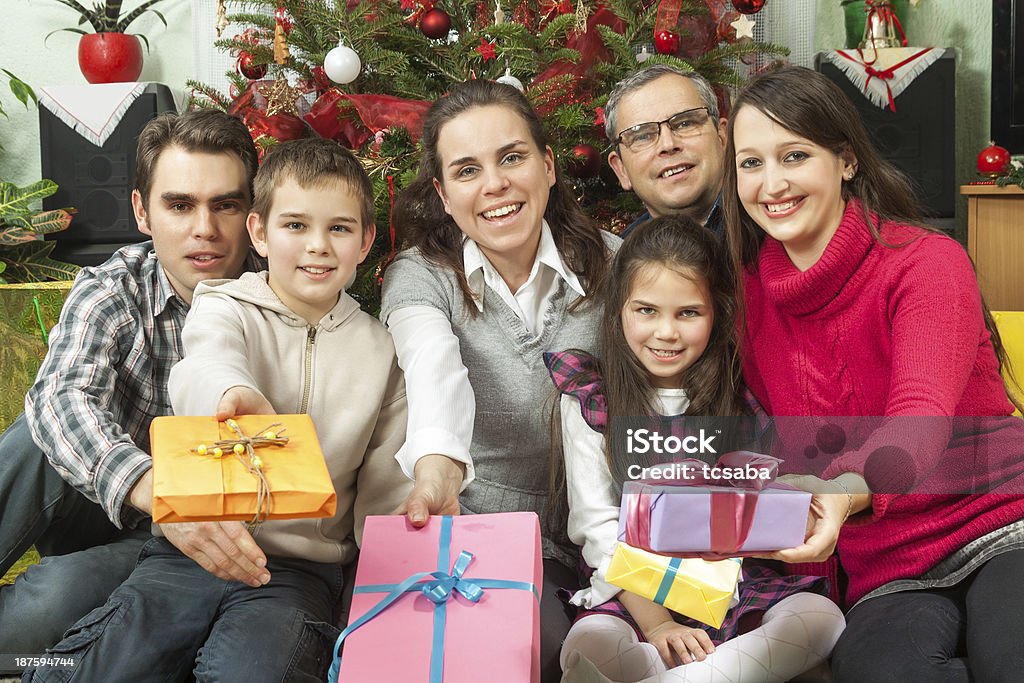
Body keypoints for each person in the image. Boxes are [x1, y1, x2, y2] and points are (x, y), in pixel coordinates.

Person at [25, 137, 412, 682]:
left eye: (340, 228)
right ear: (259, 231)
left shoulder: (381, 351)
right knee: (103, 664)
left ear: (367, 239)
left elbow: (383, 493)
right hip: (188, 550)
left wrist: (386, 593)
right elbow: (204, 363)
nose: (318, 246)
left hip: (299, 571)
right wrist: (230, 393)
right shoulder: (224, 305)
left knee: (253, 670)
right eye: (296, 226)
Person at [724, 65, 1024, 682]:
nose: (771, 183)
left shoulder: (926, 263)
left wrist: (838, 495)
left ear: (847, 162)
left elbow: (918, 425)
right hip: (886, 571)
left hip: (1002, 523)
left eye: (795, 155)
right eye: (750, 163)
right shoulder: (746, 301)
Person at [380, 79, 619, 682]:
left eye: (512, 158)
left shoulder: (618, 266)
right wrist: (437, 468)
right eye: (466, 170)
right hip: (474, 529)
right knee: (492, 652)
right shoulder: (420, 276)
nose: (494, 185)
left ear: (548, 165)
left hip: (597, 530)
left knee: (564, 654)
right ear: (442, 192)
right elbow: (433, 366)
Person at [0, 108, 261, 654]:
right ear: (143, 211)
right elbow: (61, 394)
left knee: (50, 606)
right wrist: (157, 489)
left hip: (179, 546)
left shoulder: (279, 302)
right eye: (180, 205)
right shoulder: (115, 289)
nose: (204, 230)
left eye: (225, 205)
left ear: (252, 215)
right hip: (109, 496)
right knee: (33, 435)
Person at [547, 217, 844, 683]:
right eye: (646, 310)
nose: (666, 332)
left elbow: (760, 509)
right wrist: (658, 623)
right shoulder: (591, 398)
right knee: (589, 647)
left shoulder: (736, 394)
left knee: (820, 619)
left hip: (723, 586)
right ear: (618, 310)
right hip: (634, 594)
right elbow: (597, 529)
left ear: (716, 313)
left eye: (688, 313)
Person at [604, 65, 727, 238]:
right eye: (643, 136)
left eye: (685, 123)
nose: (668, 144)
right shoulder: (617, 259)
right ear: (621, 170)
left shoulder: (771, 228)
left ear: (722, 137)